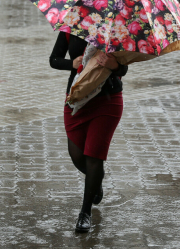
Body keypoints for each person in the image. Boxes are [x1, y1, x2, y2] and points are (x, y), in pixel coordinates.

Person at [49, 32, 128, 232]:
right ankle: (96, 181)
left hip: (107, 100)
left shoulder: (115, 30)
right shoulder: (70, 28)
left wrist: (114, 67)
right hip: (77, 97)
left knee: (94, 156)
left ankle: (85, 213)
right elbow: (54, 60)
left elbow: (124, 68)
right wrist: (72, 64)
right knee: (76, 154)